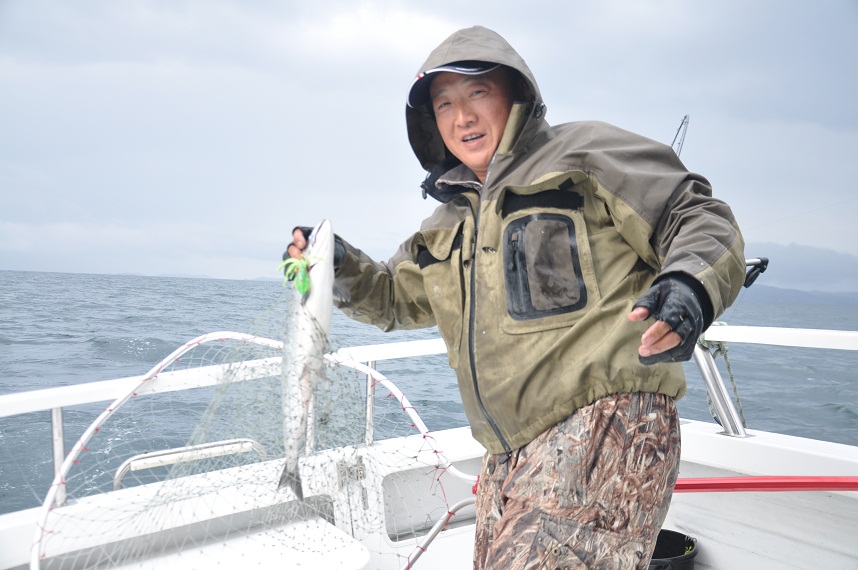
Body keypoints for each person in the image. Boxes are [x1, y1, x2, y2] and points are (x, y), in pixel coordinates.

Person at [286, 25, 745, 569]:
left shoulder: (585, 153)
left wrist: (690, 284)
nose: (462, 117)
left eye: (478, 92)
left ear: (516, 95)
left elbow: (695, 214)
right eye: (445, 104)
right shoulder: (445, 223)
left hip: (606, 420)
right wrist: (335, 262)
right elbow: (391, 298)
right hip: (507, 452)